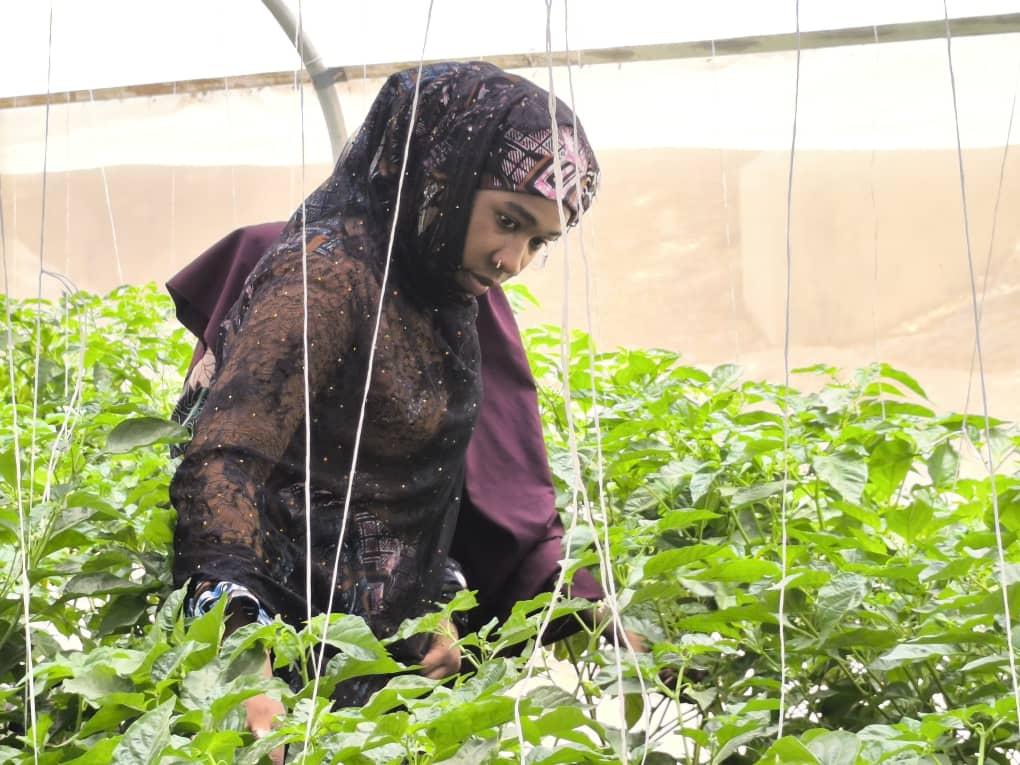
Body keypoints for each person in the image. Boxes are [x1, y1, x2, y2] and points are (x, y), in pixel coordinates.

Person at [168, 62, 607, 746]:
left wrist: (435, 604)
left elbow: (407, 491)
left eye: (538, 241)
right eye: (508, 221)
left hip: (378, 681)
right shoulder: (330, 275)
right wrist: (241, 660)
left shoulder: (442, 297)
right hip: (276, 676)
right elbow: (222, 465)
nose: (513, 260)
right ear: (443, 174)